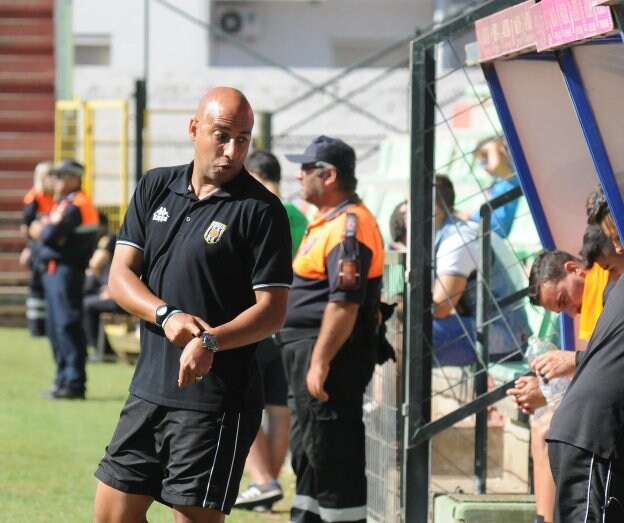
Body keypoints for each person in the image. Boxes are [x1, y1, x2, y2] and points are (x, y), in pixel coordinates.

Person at [93, 86, 293, 523]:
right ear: (193, 128)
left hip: (217, 401)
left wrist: (211, 340)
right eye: (222, 135)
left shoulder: (262, 211)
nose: (232, 150)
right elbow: (120, 276)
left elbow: (273, 310)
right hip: (148, 389)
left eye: (243, 138)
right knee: (111, 515)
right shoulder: (155, 186)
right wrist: (166, 315)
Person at [276, 135, 385, 523]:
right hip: (306, 350)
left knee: (333, 451)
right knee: (309, 450)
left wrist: (320, 362)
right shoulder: (327, 221)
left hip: (329, 354)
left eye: (307, 169)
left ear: (330, 175)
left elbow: (344, 303)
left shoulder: (349, 227)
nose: (299, 175)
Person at [233, 150, 308, 511]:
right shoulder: (300, 217)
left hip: (256, 317)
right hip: (291, 321)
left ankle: (263, 480)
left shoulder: (254, 209)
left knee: (235, 400)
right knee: (280, 407)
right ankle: (268, 486)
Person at [529, 240, 624, 521]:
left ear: (575, 270)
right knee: (542, 428)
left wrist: (572, 361)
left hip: (589, 437)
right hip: (587, 439)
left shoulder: (608, 291)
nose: (572, 311)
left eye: (563, 301)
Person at [432, 174, 530, 365]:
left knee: (411, 333)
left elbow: (440, 308)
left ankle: (406, 395)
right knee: (403, 331)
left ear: (434, 207)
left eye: (411, 206)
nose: (408, 213)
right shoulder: (449, 234)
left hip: (503, 336)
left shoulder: (456, 240)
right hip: (488, 328)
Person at [28, 159, 99, 399]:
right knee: (55, 327)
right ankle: (62, 379)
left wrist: (43, 234)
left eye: (60, 176)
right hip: (54, 270)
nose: (54, 180)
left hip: (67, 271)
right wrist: (45, 238)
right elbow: (47, 237)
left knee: (67, 325)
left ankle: (74, 382)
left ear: (74, 178)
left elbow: (47, 234)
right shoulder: (64, 203)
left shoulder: (76, 205)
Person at [20, 160, 55, 336]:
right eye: (50, 175)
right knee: (36, 288)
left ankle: (47, 325)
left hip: (51, 248)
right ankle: (35, 327)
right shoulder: (33, 197)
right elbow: (25, 227)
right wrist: (29, 248)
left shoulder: (55, 197)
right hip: (38, 248)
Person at [82, 211, 122, 362]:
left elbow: (95, 263)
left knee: (87, 305)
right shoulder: (95, 240)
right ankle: (103, 350)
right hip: (110, 291)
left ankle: (102, 350)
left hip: (118, 295)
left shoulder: (108, 239)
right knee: (84, 302)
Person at [464, 135, 520, 238]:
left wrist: (491, 146)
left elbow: (495, 166)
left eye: (486, 158)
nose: (485, 165)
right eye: (482, 162)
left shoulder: (511, 175)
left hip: (489, 231)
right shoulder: (498, 181)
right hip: (480, 227)